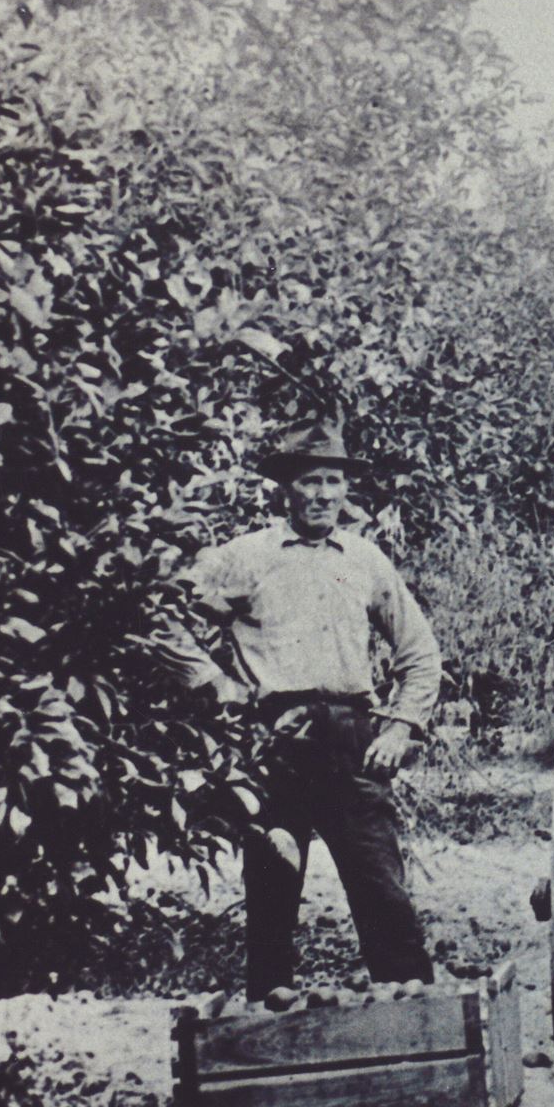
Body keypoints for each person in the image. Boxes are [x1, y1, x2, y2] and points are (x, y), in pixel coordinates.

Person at [155, 418, 441, 997]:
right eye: (310, 481)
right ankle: (266, 1035)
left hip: (352, 743)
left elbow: (420, 653)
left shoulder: (365, 560)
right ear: (285, 488)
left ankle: (418, 1028)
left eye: (333, 481)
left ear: (346, 488)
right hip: (273, 745)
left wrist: (400, 725)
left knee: (382, 891)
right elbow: (162, 616)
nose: (322, 494)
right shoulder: (244, 557)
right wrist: (219, 688)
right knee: (271, 896)